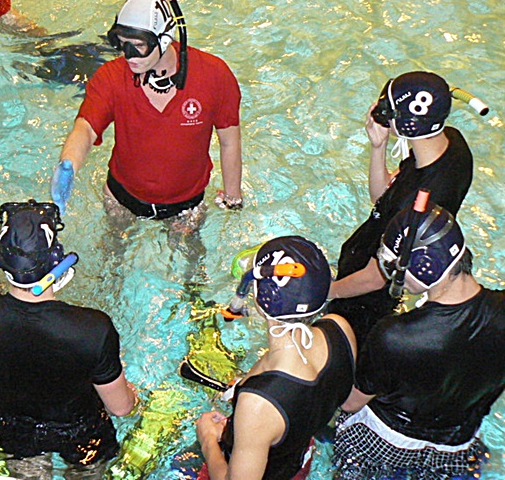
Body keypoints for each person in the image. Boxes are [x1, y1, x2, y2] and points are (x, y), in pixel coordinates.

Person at [0, 200, 137, 466]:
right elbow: (121, 408)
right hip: (82, 431)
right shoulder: (92, 329)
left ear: (0, 258)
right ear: (58, 260)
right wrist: (135, 394)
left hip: (14, 427)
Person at [334, 203, 505, 480]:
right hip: (458, 446)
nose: (391, 274)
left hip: (385, 442)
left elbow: (351, 404)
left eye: (393, 265)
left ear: (425, 267)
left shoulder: (395, 335)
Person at [51, 0, 242, 231]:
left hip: (187, 205)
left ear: (163, 40)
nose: (128, 56)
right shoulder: (111, 77)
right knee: (112, 259)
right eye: (122, 45)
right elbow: (86, 128)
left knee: (190, 265)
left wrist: (233, 199)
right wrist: (68, 164)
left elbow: (229, 141)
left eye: (138, 46)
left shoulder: (213, 75)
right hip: (121, 199)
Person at [327, 71, 473, 343]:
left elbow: (374, 279)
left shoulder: (413, 209)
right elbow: (382, 195)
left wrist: (326, 291)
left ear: (407, 125)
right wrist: (378, 146)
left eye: (386, 110)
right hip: (391, 259)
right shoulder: (453, 144)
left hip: (364, 295)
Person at [195, 236, 356, 480]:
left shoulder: (258, 403)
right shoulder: (339, 329)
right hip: (299, 459)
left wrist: (208, 440)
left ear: (261, 298)